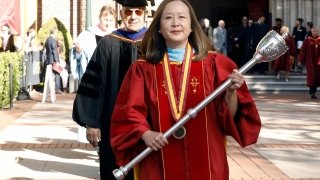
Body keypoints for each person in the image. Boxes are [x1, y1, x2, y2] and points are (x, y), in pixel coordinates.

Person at [110, 0, 261, 179]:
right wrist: (145, 133)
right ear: (158, 27)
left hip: (207, 161)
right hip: (159, 160)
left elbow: (229, 116)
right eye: (168, 18)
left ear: (191, 27)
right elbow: (129, 111)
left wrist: (231, 92)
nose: (175, 23)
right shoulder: (143, 69)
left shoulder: (215, 65)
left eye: (182, 17)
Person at [72, 0, 149, 179]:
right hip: (112, 123)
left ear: (145, 14)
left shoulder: (154, 43)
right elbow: (93, 82)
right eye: (128, 12)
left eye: (138, 12)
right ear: (122, 14)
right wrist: (91, 122)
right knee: (113, 170)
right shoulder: (108, 43)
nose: (133, 16)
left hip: (147, 123)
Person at [71, 5, 117, 143]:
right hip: (93, 78)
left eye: (110, 19)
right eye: (105, 18)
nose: (107, 22)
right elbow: (76, 56)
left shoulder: (117, 35)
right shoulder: (88, 34)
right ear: (100, 18)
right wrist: (78, 51)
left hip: (111, 80)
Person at [298, 26, 320, 99]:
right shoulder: (307, 40)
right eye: (314, 31)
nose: (315, 32)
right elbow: (303, 50)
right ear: (311, 31)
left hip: (319, 63)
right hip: (310, 62)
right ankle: (312, 93)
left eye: (316, 31)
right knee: (312, 77)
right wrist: (301, 60)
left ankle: (314, 92)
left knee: (318, 77)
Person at [42, 27, 60, 103]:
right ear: (55, 32)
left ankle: (50, 96)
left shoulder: (47, 39)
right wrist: (57, 61)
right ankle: (55, 92)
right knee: (53, 77)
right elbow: (54, 51)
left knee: (49, 79)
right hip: (52, 61)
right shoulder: (53, 40)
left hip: (48, 60)